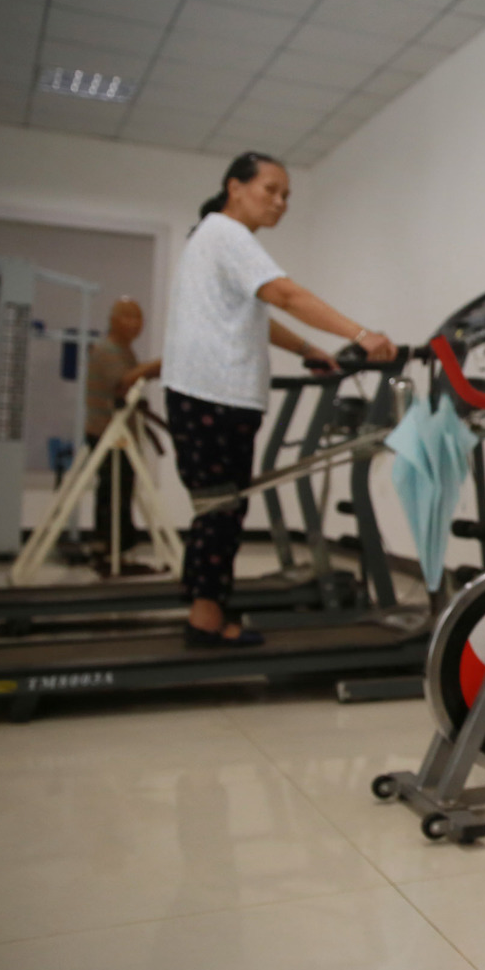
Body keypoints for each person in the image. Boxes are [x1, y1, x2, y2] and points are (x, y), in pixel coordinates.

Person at [161, 152, 396, 647]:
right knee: (220, 509)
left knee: (218, 508)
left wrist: (310, 350)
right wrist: (361, 334)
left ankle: (207, 608)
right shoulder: (228, 234)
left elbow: (254, 316)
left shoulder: (210, 237)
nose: (280, 202)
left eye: (286, 194)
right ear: (235, 187)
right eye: (270, 189)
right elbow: (286, 295)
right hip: (214, 392)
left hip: (207, 390)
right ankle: (205, 621)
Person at [82, 297, 160, 563]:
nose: (136, 324)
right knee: (113, 490)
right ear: (113, 320)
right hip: (107, 432)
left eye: (139, 317)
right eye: (128, 316)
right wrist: (155, 366)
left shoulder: (123, 349)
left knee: (121, 488)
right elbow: (122, 382)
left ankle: (120, 545)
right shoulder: (107, 350)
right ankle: (108, 544)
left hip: (118, 433)